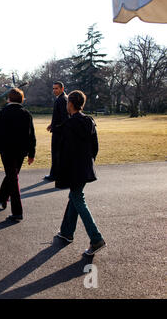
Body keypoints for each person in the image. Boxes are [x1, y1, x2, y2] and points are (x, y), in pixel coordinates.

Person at [55, 90, 106, 256]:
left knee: (77, 198)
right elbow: (95, 147)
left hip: (74, 168)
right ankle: (66, 231)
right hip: (85, 167)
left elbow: (65, 152)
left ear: (70, 104)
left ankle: (96, 238)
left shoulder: (69, 125)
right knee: (75, 197)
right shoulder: (89, 121)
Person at [0, 88, 36, 222]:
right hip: (20, 151)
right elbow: (32, 136)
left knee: (12, 178)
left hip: (6, 150)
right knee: (13, 176)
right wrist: (31, 153)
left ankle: (17, 211)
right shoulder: (26, 114)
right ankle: (2, 197)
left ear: (9, 99)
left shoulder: (3, 113)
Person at [45, 81, 69, 181]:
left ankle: (54, 175)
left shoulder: (62, 100)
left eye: (56, 88)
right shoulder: (62, 98)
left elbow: (65, 117)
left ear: (62, 89)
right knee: (58, 153)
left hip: (60, 132)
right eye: (53, 88)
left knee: (56, 153)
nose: (54, 90)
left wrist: (56, 127)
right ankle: (56, 174)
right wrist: (52, 124)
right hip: (59, 130)